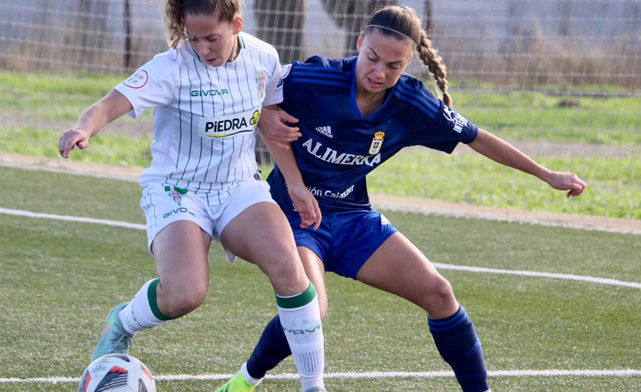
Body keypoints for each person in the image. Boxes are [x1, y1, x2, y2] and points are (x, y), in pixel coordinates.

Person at [216, 5, 586, 392]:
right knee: (312, 308)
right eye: (372, 58)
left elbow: (476, 137)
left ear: (409, 63)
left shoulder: (411, 103)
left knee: (440, 293)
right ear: (359, 43)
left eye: (393, 66)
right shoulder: (315, 78)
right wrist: (266, 121)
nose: (379, 73)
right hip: (294, 219)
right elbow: (248, 90)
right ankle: (246, 381)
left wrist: (546, 175)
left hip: (353, 219)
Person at [57, 1, 327, 391]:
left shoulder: (264, 57)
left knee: (290, 269)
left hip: (238, 187)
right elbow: (107, 105)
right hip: (177, 190)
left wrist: (296, 185)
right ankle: (123, 322)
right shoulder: (170, 67)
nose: (202, 48)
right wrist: (83, 129)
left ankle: (314, 386)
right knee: (185, 294)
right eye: (193, 37)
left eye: (212, 38)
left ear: (237, 24)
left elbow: (270, 124)